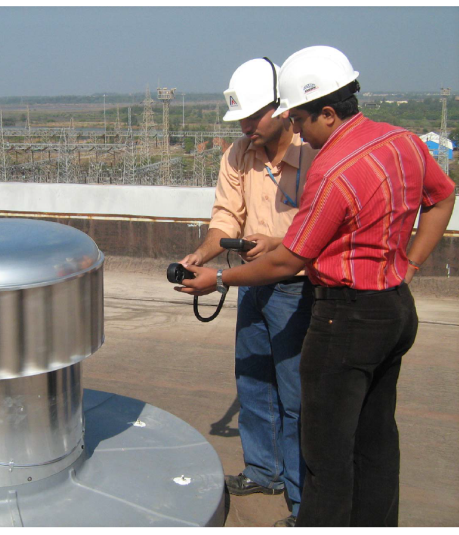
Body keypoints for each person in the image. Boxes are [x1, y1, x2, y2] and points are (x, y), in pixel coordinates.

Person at [176, 46, 456, 527]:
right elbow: (443, 195)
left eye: (298, 118)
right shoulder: (401, 141)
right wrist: (408, 265)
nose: (299, 128)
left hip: (337, 310)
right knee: (371, 440)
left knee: (323, 442)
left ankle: (312, 515)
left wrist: (219, 277)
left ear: (325, 112)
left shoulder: (332, 165)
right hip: (390, 306)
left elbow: (291, 258)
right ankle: (308, 491)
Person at [179, 57, 318, 527]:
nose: (245, 126)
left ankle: (304, 499)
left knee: (296, 393)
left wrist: (278, 243)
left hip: (298, 288)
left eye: (254, 116)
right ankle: (264, 470)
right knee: (254, 379)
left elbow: (320, 224)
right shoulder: (239, 154)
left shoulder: (313, 151)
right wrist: (202, 257)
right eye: (240, 118)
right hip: (250, 284)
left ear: (281, 109)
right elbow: (226, 219)